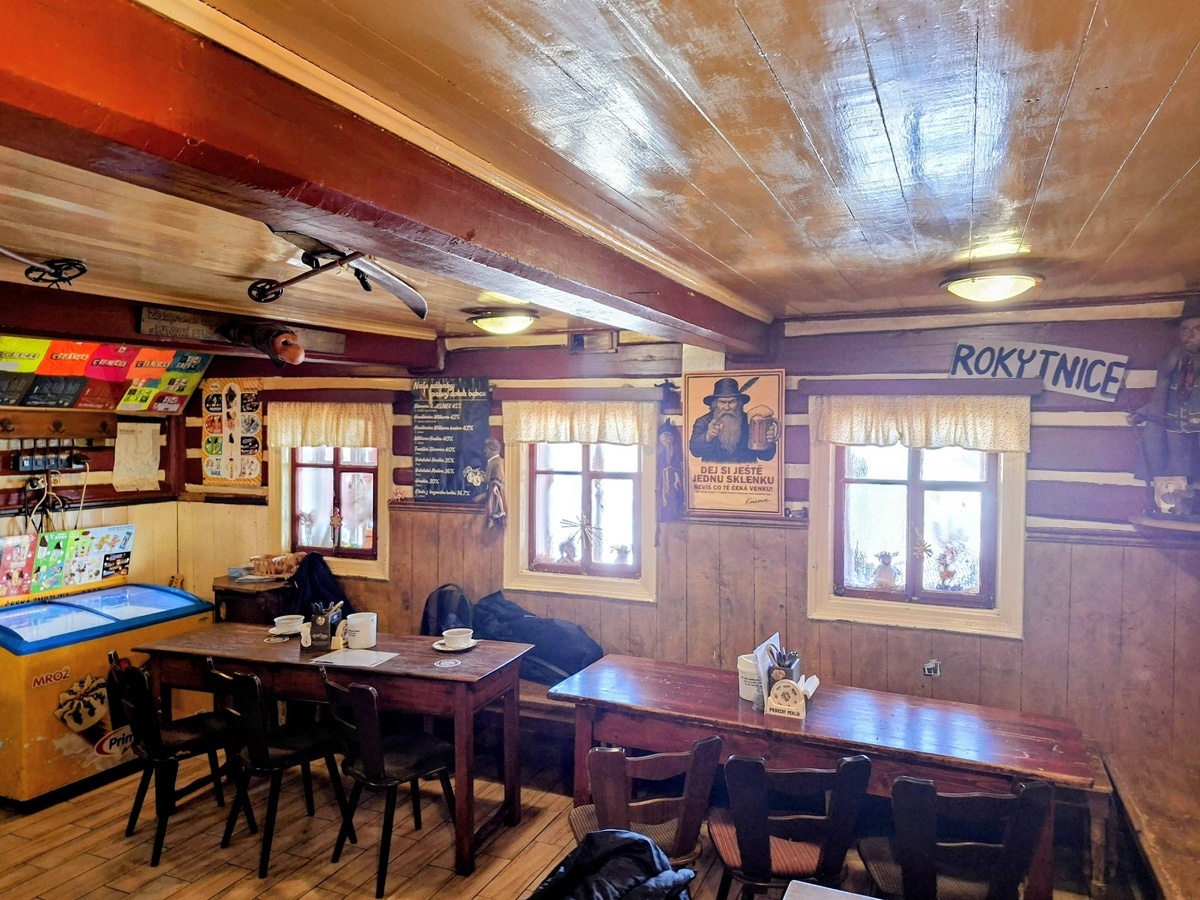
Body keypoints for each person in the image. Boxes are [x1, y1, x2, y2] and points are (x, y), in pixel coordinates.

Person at [1132, 298, 1200, 515]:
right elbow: (1163, 397)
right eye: (1185, 329)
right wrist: (1144, 413)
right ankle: (1181, 513)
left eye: (1197, 329)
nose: (1189, 334)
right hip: (1174, 429)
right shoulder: (1171, 361)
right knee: (1179, 475)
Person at [688, 376, 778, 463]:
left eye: (732, 402)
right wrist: (707, 437)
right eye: (722, 402)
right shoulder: (703, 421)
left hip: (746, 471)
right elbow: (695, 451)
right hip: (713, 471)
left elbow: (767, 456)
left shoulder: (752, 421)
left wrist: (767, 442)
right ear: (715, 404)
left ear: (739, 403)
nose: (727, 407)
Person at [483, 437, 507, 528]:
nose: (484, 451)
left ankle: (496, 515)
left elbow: (498, 476)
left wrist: (496, 485)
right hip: (490, 487)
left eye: (486, 449)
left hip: (494, 487)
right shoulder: (492, 461)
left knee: (493, 503)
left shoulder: (496, 461)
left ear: (492, 450)